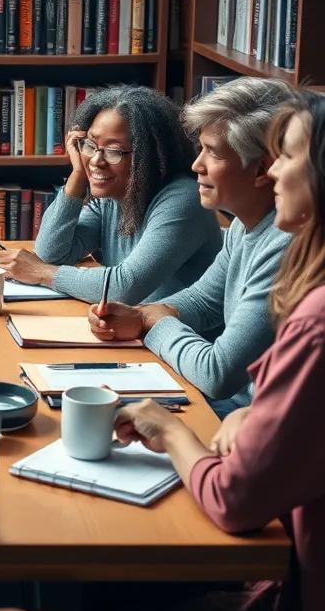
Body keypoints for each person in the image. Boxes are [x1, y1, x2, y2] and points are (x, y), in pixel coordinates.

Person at [112, 91, 325, 611]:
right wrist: (247, 422)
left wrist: (166, 427)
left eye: (288, 158)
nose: (274, 171)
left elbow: (234, 500)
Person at [87, 77, 294, 416]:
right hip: (227, 406)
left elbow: (218, 373)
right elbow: (204, 300)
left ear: (261, 169)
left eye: (211, 152)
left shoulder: (285, 246)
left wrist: (149, 323)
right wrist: (139, 315)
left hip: (246, 418)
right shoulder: (245, 223)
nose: (197, 165)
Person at [0, 85, 222, 304]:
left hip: (183, 338)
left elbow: (123, 288)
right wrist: (78, 175)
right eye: (90, 145)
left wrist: (40, 272)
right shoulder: (112, 197)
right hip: (133, 335)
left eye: (114, 151)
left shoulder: (184, 201)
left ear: (150, 156)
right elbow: (53, 254)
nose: (96, 160)